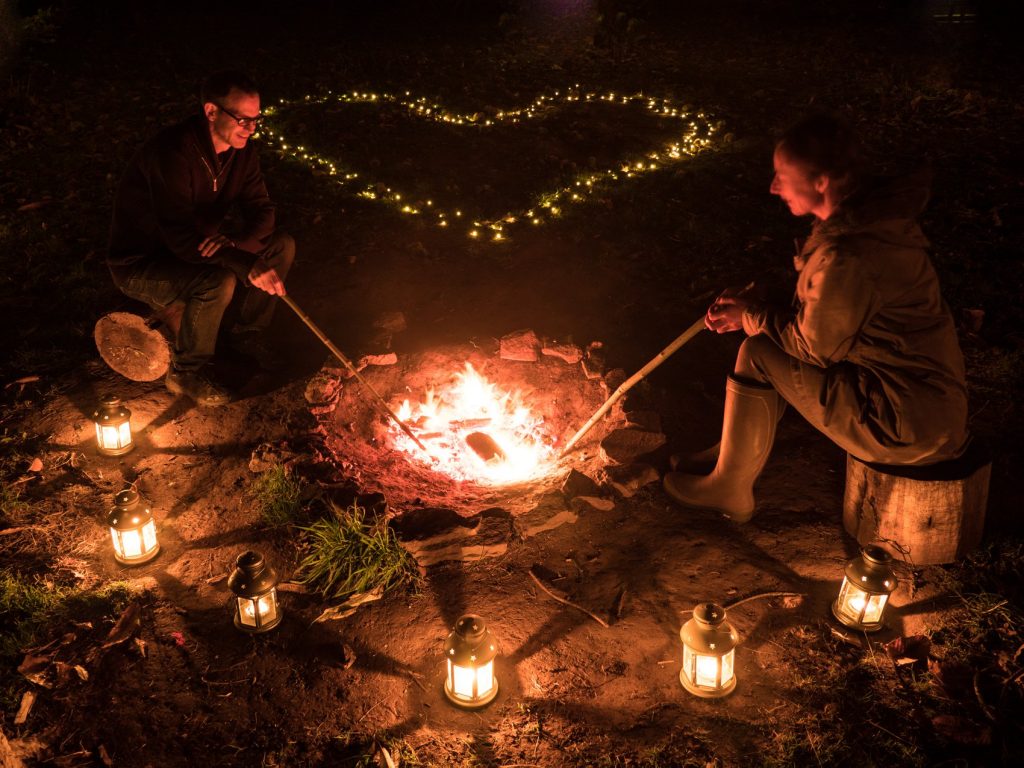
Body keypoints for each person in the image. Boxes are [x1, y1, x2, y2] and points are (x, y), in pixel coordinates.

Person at [664, 113, 970, 522]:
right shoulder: (867, 228)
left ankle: (729, 487)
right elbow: (833, 312)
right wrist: (764, 301)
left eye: (781, 175)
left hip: (901, 425)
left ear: (821, 181)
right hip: (924, 408)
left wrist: (751, 315)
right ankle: (727, 454)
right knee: (763, 342)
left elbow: (814, 348)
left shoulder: (851, 254)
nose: (773, 186)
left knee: (757, 351)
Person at [107, 70, 294, 406]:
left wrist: (236, 247)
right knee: (217, 280)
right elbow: (179, 237)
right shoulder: (173, 152)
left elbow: (262, 210)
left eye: (256, 119)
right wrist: (239, 260)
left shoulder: (242, 152)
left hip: (198, 247)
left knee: (282, 245)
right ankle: (185, 372)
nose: (251, 129)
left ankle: (245, 337)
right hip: (145, 261)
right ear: (211, 111)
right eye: (242, 119)